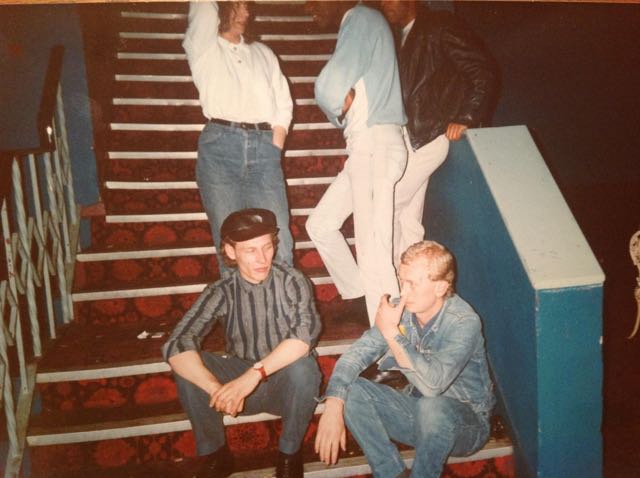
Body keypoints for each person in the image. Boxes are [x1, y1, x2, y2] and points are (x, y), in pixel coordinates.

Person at [162, 208, 322, 478]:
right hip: (236, 383)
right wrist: (216, 389)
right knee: (187, 365)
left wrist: (255, 374)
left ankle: (289, 455)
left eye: (267, 247)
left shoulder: (293, 281)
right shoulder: (221, 291)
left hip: (286, 386)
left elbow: (304, 336)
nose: (263, 259)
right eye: (250, 250)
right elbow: (176, 343)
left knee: (305, 368)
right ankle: (216, 454)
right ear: (231, 252)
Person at [315, 241, 495, 478]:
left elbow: (433, 386)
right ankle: (390, 473)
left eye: (412, 283)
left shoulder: (463, 322)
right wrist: (333, 404)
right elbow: (354, 357)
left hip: (466, 425)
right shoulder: (403, 308)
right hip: (417, 413)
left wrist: (392, 334)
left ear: (440, 287)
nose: (404, 291)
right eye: (402, 280)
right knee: (351, 389)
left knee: (433, 407)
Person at [304, 2, 408, 325]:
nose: (309, 7)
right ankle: (359, 295)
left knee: (374, 251)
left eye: (313, 0)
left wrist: (334, 107)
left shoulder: (359, 17)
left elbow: (329, 86)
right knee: (320, 224)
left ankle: (394, 348)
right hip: (366, 149)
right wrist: (340, 110)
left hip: (374, 145)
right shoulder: (365, 21)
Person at [380, 0, 499, 266]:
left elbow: (483, 70)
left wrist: (466, 117)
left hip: (429, 135)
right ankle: (411, 284)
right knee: (409, 219)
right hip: (413, 137)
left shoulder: (440, 25)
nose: (383, 3)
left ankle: (392, 282)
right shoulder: (403, 35)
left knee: (388, 208)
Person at [183, 1, 294, 271]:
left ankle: (283, 312)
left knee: (279, 241)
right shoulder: (204, 47)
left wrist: (273, 148)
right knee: (232, 247)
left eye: (247, 7)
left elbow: (284, 104)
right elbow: (203, 8)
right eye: (237, 6)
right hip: (220, 147)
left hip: (264, 146)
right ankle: (244, 313)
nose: (245, 13)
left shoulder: (263, 53)